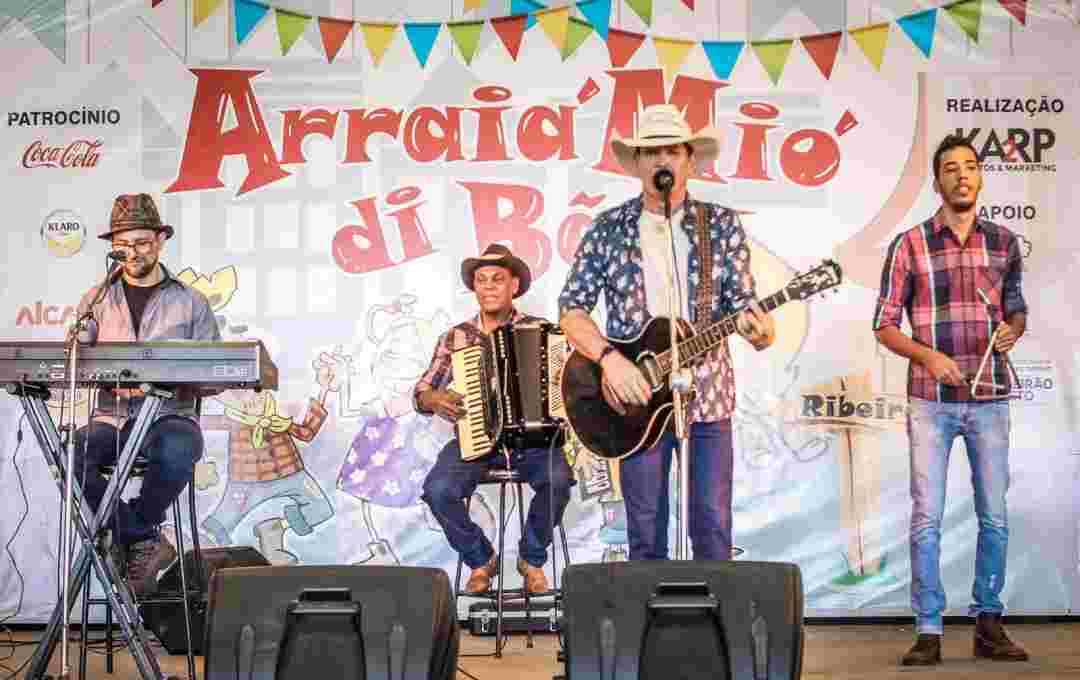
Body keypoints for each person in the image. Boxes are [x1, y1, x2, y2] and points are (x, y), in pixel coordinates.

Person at [558, 104, 775, 562]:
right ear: (637, 163)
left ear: (689, 160)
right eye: (651, 152)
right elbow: (572, 310)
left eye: (672, 151)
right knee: (644, 529)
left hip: (708, 397)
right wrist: (611, 362)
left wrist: (760, 330)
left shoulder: (719, 223)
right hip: (635, 401)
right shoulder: (607, 229)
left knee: (713, 525)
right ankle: (647, 633)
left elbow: (743, 303)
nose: (662, 161)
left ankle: (716, 632)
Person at [873, 134, 1029, 665]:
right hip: (930, 401)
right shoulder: (909, 244)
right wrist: (927, 357)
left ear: (979, 176)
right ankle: (928, 629)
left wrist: (1013, 330)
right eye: (950, 168)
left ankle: (988, 623)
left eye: (969, 166)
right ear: (937, 180)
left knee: (995, 518)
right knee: (927, 520)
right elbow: (884, 325)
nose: (961, 175)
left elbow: (1016, 309)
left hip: (990, 398)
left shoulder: (1005, 242)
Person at [72, 193, 220, 597]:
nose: (133, 253)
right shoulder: (97, 299)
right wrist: (99, 373)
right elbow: (73, 361)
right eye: (123, 245)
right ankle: (143, 537)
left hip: (167, 416)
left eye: (141, 242)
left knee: (179, 446)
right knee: (71, 453)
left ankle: (129, 531)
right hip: (112, 417)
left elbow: (217, 372)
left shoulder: (191, 302)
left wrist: (174, 379)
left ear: (159, 240)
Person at [418, 244, 574, 594]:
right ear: (474, 288)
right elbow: (422, 391)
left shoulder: (544, 332)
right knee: (438, 490)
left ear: (514, 286)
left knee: (559, 480)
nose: (488, 287)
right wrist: (434, 398)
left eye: (497, 280)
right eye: (481, 280)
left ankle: (531, 559)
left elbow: (569, 385)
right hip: (476, 439)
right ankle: (480, 559)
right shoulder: (456, 336)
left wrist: (560, 392)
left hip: (533, 440)